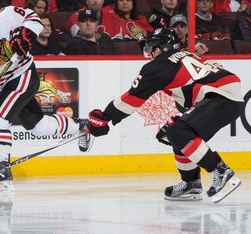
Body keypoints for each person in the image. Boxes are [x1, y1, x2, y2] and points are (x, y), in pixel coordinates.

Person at [87, 27, 243, 203]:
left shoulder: (159, 65)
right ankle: (191, 183)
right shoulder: (185, 56)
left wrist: (105, 116)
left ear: (159, 49)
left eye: (151, 48)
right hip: (227, 97)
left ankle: (221, 172)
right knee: (176, 132)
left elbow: (132, 99)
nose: (150, 53)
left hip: (221, 97)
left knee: (179, 132)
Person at [0, 5, 92, 190]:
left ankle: (2, 166)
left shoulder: (0, 18)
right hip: (2, 85)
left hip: (23, 74)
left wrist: (26, 33)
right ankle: (81, 126)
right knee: (37, 126)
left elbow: (32, 16)